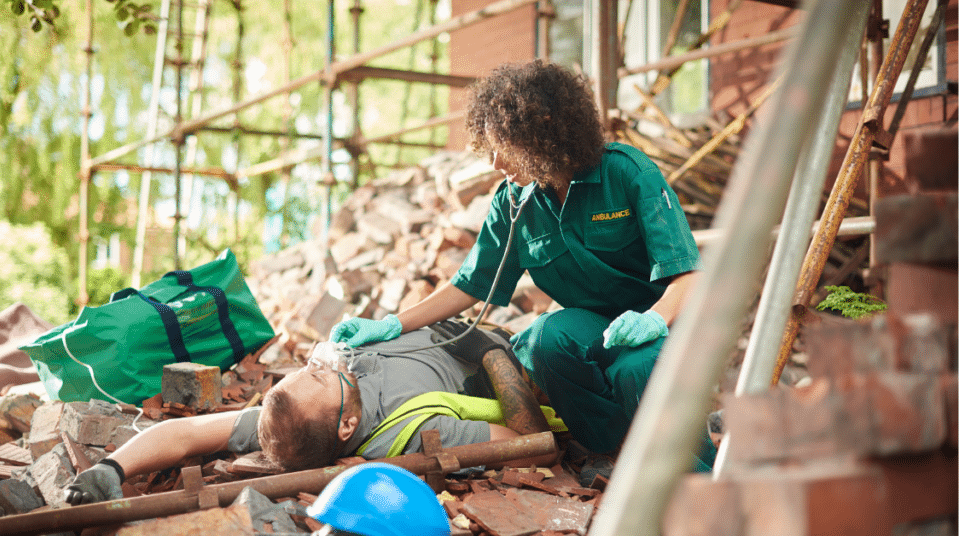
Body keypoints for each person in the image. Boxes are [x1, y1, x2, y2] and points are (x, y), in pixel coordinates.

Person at [331, 60, 715, 476]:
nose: (495, 161)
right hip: (594, 324)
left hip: (660, 320)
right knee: (540, 342)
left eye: (504, 147)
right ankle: (614, 452)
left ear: (542, 133)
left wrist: (654, 319)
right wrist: (391, 324)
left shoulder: (628, 174)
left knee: (634, 369)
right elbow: (470, 284)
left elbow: (689, 276)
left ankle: (699, 476)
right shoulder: (513, 202)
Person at [65, 325, 561, 505]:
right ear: (346, 426)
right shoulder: (413, 433)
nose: (325, 365)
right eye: (322, 376)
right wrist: (494, 352)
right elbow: (530, 445)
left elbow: (187, 431)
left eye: (308, 369)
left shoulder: (285, 423)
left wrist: (111, 468)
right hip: (500, 346)